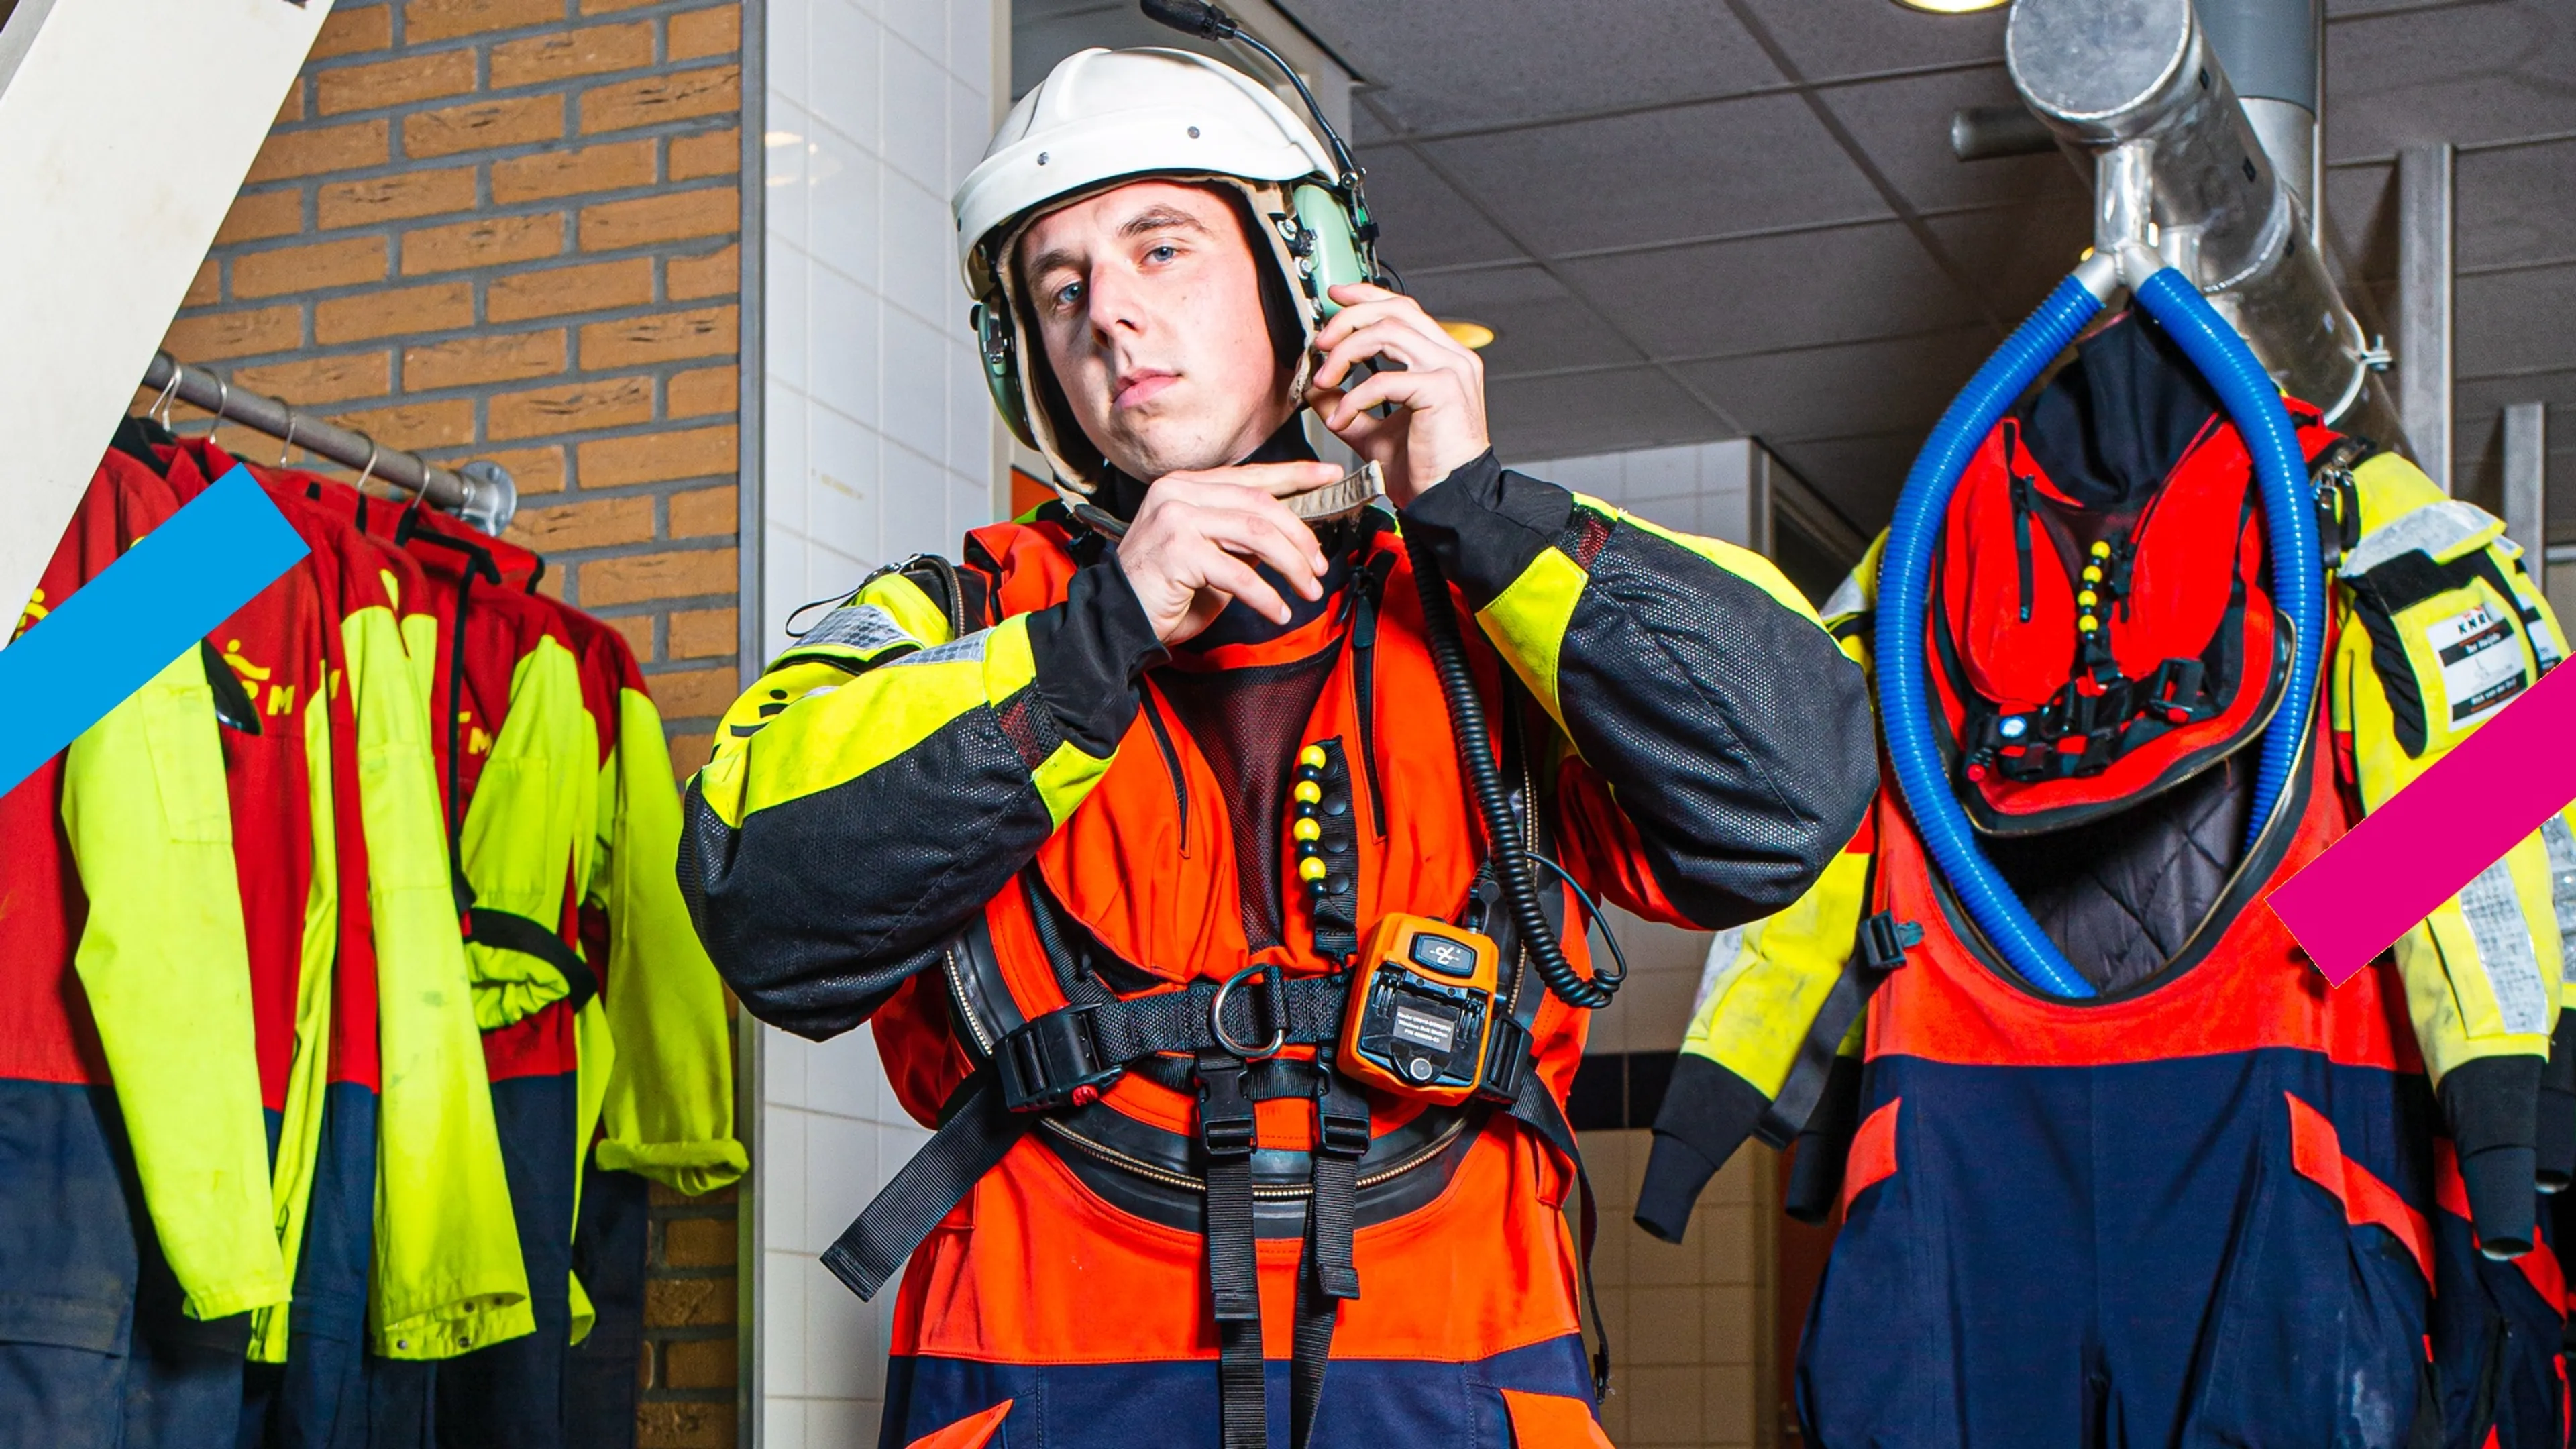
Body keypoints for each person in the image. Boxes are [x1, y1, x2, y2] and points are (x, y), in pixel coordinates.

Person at [680, 45, 1876, 1449]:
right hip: (1040, 1387)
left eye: (1163, 245)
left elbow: (1790, 793)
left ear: (1301, 269)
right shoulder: (949, 622)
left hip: (1460, 1383)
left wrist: (1485, 518)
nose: (1112, 315)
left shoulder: (1505, 598)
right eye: (1060, 290)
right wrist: (1096, 637)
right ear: (1031, 363)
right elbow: (767, 906)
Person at [1643, 306, 2576, 1448]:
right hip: (2213, 1109)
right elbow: (1814, 809)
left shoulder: (2352, 514)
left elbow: (2499, 792)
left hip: (2186, 1111)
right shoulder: (1926, 555)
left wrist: (2503, 1091)